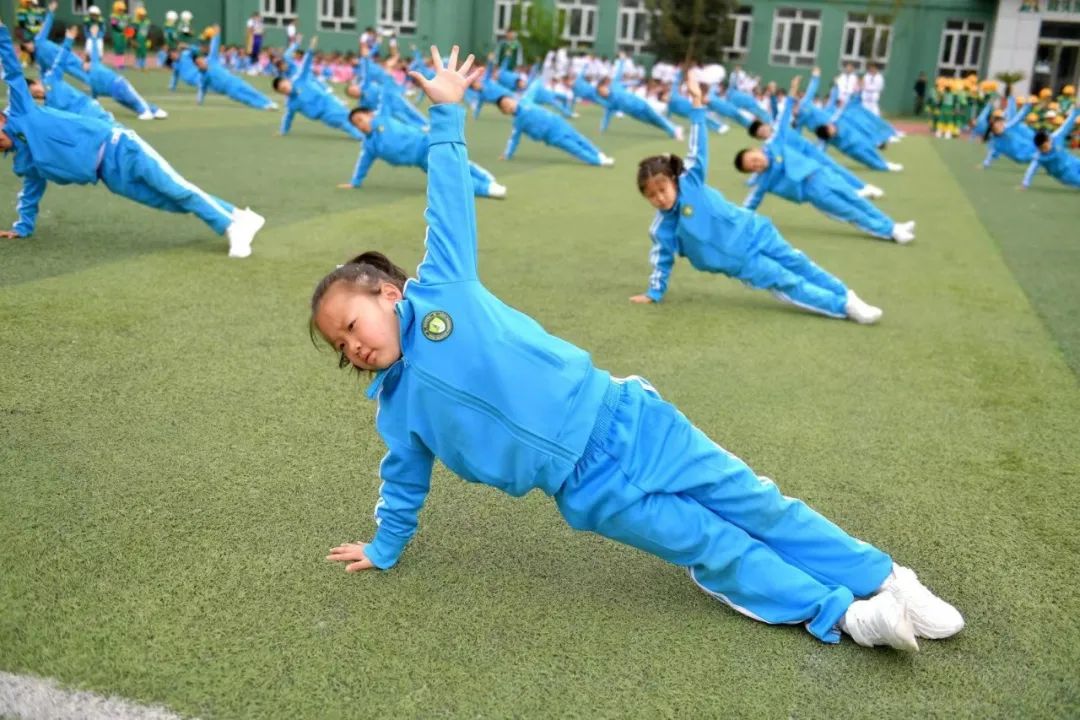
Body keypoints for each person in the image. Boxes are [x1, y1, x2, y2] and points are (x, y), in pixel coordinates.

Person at [314, 47, 964, 651]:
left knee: (753, 501)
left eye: (351, 322)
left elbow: (447, 202)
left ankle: (885, 578)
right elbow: (403, 481)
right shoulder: (396, 411)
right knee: (710, 544)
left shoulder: (445, 291)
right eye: (339, 343)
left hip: (626, 417)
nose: (353, 345)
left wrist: (448, 110)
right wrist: (385, 545)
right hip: (585, 488)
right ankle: (843, 614)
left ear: (388, 294)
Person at [631, 73, 882, 324]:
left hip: (756, 230)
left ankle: (845, 294)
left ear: (673, 181)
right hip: (738, 259)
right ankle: (844, 307)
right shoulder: (662, 228)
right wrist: (654, 292)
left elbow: (698, 145)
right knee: (786, 280)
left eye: (662, 189)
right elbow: (662, 260)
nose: (659, 198)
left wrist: (697, 102)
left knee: (800, 263)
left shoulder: (691, 181)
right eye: (651, 195)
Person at [0, 23, 263, 257]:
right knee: (170, 201)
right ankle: (240, 216)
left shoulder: (22, 111)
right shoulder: (24, 161)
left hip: (119, 146)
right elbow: (32, 191)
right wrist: (22, 227)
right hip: (108, 175)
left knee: (177, 189)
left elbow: (12, 71)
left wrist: (1, 33)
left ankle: (232, 227)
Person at [734, 89, 915, 243]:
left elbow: (782, 119)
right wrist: (735, 221)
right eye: (752, 167)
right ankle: (890, 232)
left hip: (821, 174)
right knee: (851, 212)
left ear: (755, 149)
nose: (757, 164)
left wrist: (789, 96)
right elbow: (750, 203)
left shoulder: (774, 144)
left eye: (754, 159)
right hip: (814, 192)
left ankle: (891, 224)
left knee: (858, 201)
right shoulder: (763, 180)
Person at [339, 105, 506, 197]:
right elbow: (363, 164)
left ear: (370, 114)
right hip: (421, 161)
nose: (360, 124)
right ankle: (487, 183)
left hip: (428, 144)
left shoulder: (383, 116)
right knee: (450, 177)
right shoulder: (369, 145)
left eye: (360, 119)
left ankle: (487, 186)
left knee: (455, 169)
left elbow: (387, 90)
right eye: (356, 124)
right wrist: (355, 182)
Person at [497, 79, 615, 167]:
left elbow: (535, 85)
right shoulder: (518, 122)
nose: (509, 105)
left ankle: (599, 154)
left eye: (509, 101)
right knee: (574, 148)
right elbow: (513, 140)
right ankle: (597, 161)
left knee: (580, 139)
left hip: (558, 122)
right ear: (505, 112)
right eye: (506, 106)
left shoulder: (525, 100)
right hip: (552, 136)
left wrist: (534, 81)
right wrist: (507, 154)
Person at [273, 36, 364, 140]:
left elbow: (305, 63)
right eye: (283, 90)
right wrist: (283, 131)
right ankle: (364, 137)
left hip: (327, 99)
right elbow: (288, 117)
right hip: (323, 114)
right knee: (344, 123)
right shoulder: (290, 103)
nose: (286, 89)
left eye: (285, 86)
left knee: (349, 116)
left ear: (287, 81)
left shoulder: (298, 77)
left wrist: (310, 48)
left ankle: (369, 133)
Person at [84, 23, 167, 120]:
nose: (84, 65)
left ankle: (148, 111)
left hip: (118, 83)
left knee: (134, 99)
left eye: (85, 62)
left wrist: (94, 35)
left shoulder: (95, 63)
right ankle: (154, 110)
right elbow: (93, 97)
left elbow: (94, 50)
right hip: (114, 94)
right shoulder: (90, 80)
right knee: (129, 103)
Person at [1020, 108, 1080, 189]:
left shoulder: (1057, 136)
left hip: (1073, 162)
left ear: (1049, 140)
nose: (1045, 150)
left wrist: (1076, 111)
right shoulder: (1039, 157)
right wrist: (1025, 184)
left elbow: (1067, 124)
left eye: (1045, 146)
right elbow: (1031, 170)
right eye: (1042, 148)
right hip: (1066, 175)